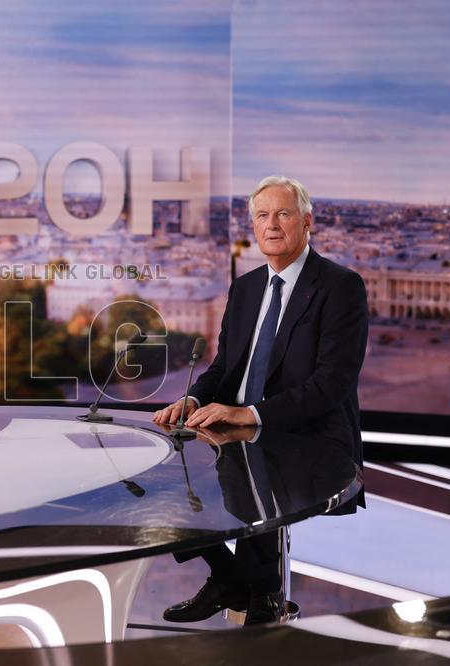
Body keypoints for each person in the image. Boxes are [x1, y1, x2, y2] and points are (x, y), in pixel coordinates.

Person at [152, 175, 369, 624]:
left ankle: (259, 592)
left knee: (260, 474)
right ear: (253, 226)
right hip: (233, 426)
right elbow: (223, 369)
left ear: (307, 222)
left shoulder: (340, 286)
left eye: (284, 214)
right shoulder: (246, 287)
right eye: (263, 216)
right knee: (167, 483)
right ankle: (233, 576)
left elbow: (332, 385)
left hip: (306, 432)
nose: (272, 225)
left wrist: (249, 413)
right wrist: (193, 399)